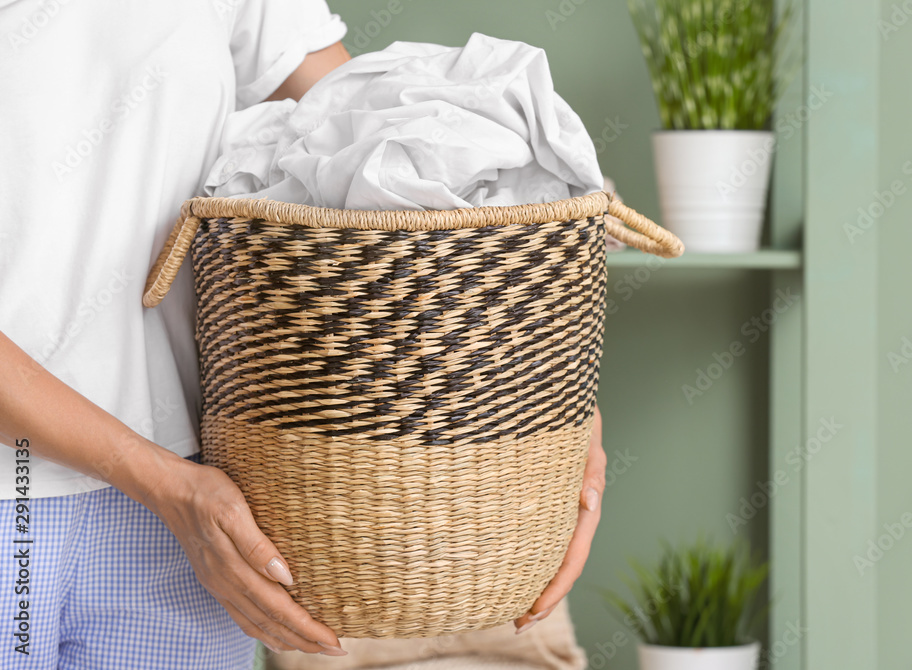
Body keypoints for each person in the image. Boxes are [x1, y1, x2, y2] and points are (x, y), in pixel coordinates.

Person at [0, 1, 606, 667]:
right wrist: (168, 487)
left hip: (183, 521)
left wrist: (553, 397)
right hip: (124, 500)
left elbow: (378, 155)